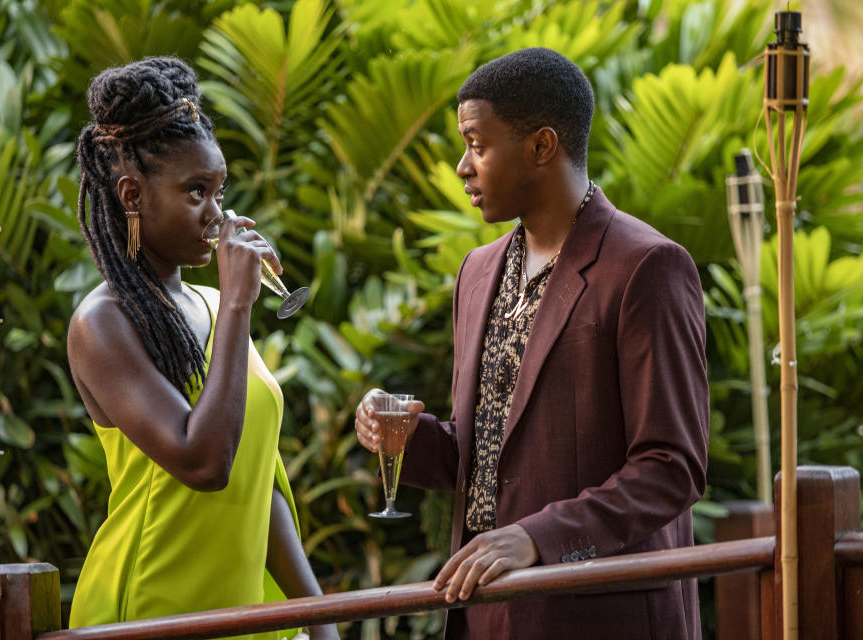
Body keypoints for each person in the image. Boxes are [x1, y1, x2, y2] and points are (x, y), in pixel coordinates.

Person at [354, 47, 709, 639]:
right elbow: (495, 454)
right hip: (485, 616)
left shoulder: (646, 266)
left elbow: (672, 466)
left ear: (542, 146)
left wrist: (539, 539)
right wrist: (407, 441)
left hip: (600, 618)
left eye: (476, 144)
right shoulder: (476, 272)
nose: (462, 167)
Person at [67, 57, 337, 640]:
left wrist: (319, 618)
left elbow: (256, 483)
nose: (218, 214)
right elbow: (205, 463)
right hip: (151, 608)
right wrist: (240, 306)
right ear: (132, 194)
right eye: (196, 192)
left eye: (219, 191)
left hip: (238, 610)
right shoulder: (102, 323)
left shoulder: (211, 304)